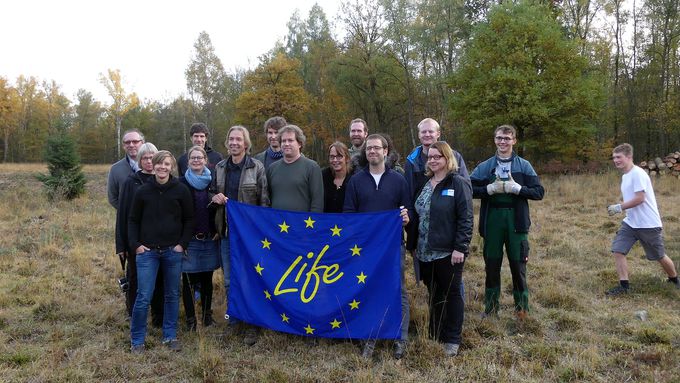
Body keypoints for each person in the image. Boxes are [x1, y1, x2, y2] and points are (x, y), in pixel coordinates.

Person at [344, 134, 411, 360]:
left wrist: (405, 218)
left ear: (386, 151)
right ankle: (369, 337)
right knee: (366, 290)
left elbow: (408, 211)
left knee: (397, 290)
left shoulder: (399, 180)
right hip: (364, 249)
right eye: (368, 148)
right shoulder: (356, 181)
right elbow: (349, 214)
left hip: (393, 246)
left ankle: (400, 338)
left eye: (376, 148)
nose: (372, 151)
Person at [470, 125, 544, 319]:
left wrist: (519, 189)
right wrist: (488, 189)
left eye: (507, 138)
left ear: (514, 141)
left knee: (518, 266)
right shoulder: (485, 166)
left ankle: (522, 310)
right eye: (499, 138)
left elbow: (539, 192)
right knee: (492, 266)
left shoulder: (524, 166)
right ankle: (491, 309)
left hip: (517, 223)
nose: (502, 142)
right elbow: (467, 188)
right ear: (494, 140)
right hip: (492, 221)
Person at [406, 141, 473, 357]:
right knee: (434, 293)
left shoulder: (458, 183)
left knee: (452, 294)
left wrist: (460, 248)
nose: (433, 160)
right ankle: (436, 332)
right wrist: (413, 243)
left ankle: (452, 339)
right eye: (431, 157)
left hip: (448, 251)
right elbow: (416, 215)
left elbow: (466, 219)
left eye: (438, 157)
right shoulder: (424, 183)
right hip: (425, 251)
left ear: (447, 159)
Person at [128, 151, 194, 353]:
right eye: (159, 163)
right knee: (144, 296)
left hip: (172, 252)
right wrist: (136, 245)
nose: (162, 167)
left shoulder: (181, 190)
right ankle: (137, 340)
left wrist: (182, 244)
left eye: (166, 164)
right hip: (147, 252)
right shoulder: (143, 191)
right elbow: (132, 220)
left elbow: (189, 220)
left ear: (171, 166)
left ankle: (170, 336)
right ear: (152, 165)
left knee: (172, 294)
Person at [211, 126, 270, 345]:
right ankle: (234, 319)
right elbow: (211, 192)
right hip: (226, 232)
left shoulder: (257, 167)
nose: (234, 142)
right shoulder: (219, 167)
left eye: (238, 139)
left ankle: (252, 324)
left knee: (252, 278)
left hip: (250, 236)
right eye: (231, 139)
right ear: (227, 143)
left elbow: (264, 202)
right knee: (229, 279)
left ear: (246, 143)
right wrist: (213, 197)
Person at [605, 143, 679, 295]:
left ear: (629, 157)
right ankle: (624, 286)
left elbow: (640, 199)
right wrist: (624, 210)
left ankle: (674, 279)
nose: (616, 160)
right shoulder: (625, 176)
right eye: (614, 158)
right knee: (618, 250)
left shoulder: (638, 174)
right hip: (631, 223)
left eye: (619, 157)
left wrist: (619, 207)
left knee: (659, 256)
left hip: (648, 224)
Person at [115, 143, 164, 326]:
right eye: (145, 158)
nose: (149, 161)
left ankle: (159, 317)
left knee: (160, 280)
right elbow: (123, 214)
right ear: (140, 160)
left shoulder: (164, 179)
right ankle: (134, 314)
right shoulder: (131, 182)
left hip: (160, 241)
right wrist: (122, 245)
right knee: (136, 280)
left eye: (153, 157)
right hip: (136, 241)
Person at [179, 146, 220, 330]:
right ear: (188, 161)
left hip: (210, 238)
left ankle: (207, 316)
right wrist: (181, 240)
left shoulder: (214, 182)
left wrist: (219, 228)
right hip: (191, 240)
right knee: (188, 281)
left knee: (206, 280)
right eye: (193, 158)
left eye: (199, 157)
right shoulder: (181, 183)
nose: (196, 160)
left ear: (206, 160)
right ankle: (190, 320)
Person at [266, 125, 324, 213]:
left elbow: (317, 202)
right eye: (283, 141)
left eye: (290, 140)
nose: (286, 144)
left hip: (302, 223)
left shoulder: (312, 167)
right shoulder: (272, 168)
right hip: (277, 223)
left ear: (300, 143)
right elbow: (267, 198)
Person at [108, 129, 145, 210]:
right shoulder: (115, 169)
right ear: (123, 146)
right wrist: (127, 212)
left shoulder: (155, 165)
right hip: (126, 220)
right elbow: (113, 198)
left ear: (142, 143)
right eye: (127, 142)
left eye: (135, 141)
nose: (131, 145)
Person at [322, 142, 352, 213]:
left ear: (347, 158)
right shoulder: (322, 176)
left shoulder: (355, 178)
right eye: (332, 157)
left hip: (348, 221)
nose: (335, 160)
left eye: (339, 156)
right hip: (327, 222)